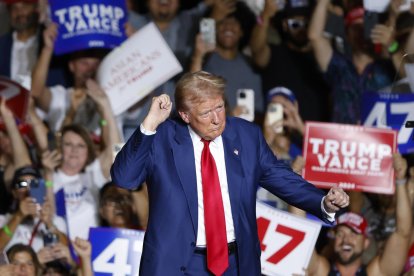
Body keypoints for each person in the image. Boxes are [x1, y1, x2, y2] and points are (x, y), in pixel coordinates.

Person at [111, 71, 349, 275]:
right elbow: (124, 178)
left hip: (235, 263)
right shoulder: (162, 138)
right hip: (176, 263)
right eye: (206, 113)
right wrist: (150, 124)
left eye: (220, 107)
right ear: (185, 115)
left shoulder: (246, 135)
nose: (217, 119)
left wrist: (322, 201)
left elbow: (280, 177)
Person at [307, 153, 412, 276]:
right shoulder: (320, 271)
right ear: (333, 240)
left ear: (366, 243)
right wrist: (294, 178)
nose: (346, 240)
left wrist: (400, 180)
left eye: (353, 234)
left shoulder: (377, 273)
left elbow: (403, 233)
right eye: (340, 234)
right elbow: (297, 227)